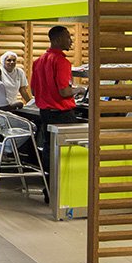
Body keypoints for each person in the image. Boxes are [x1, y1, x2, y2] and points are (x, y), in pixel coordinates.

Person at [30, 25, 83, 171]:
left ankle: (49, 187)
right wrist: (79, 90)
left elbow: (34, 91)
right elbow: (65, 92)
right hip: (62, 115)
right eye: (68, 37)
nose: (71, 41)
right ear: (58, 39)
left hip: (45, 113)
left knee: (49, 147)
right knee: (67, 150)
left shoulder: (38, 61)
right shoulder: (61, 61)